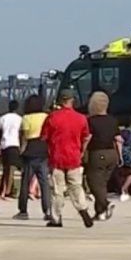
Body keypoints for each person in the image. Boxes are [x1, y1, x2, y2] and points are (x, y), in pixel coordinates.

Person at [40, 90, 94, 229]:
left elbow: (44, 137)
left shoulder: (52, 117)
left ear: (59, 101)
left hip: (57, 157)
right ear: (72, 100)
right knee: (76, 186)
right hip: (74, 156)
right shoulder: (81, 118)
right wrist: (82, 150)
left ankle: (56, 218)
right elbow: (86, 136)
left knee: (58, 190)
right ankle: (83, 209)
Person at [84, 91, 120, 222]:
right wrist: (119, 156)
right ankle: (100, 212)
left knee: (93, 181)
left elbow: (88, 138)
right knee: (102, 183)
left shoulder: (91, 121)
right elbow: (118, 139)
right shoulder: (113, 120)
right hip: (112, 153)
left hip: (98, 152)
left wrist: (82, 151)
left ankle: (105, 204)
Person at [15, 94, 52, 222]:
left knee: (25, 182)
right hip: (43, 149)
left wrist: (21, 151)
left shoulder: (26, 118)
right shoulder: (46, 117)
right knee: (44, 183)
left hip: (30, 149)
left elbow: (24, 138)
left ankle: (23, 210)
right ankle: (47, 210)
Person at [0, 100, 23, 202]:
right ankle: (7, 190)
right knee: (12, 168)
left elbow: (0, 132)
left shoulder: (3, 118)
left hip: (5, 144)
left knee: (6, 168)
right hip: (14, 143)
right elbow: (21, 133)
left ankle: (4, 189)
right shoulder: (19, 119)